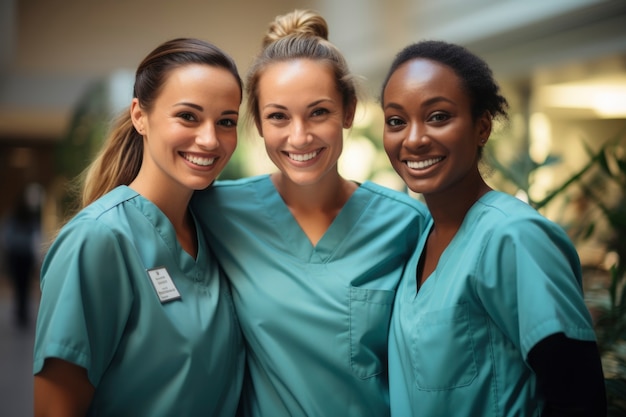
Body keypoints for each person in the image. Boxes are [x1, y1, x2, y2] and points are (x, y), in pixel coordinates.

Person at [191, 9, 430, 417]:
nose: (299, 136)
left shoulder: (406, 223)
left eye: (318, 112)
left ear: (349, 111)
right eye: (278, 116)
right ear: (259, 124)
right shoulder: (216, 212)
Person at [381, 40, 607, 416]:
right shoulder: (423, 239)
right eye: (396, 120)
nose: (414, 138)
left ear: (482, 127)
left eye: (438, 116)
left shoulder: (514, 236)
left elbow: (578, 397)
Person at [33, 38, 245, 417]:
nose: (210, 139)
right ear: (139, 116)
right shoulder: (98, 239)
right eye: (188, 116)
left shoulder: (214, 231)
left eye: (226, 121)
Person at [0, 183, 42, 328]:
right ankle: (22, 312)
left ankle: (21, 312)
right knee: (23, 286)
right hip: (23, 256)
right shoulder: (23, 218)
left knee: (20, 286)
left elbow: (6, 237)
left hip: (18, 256)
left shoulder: (18, 217)